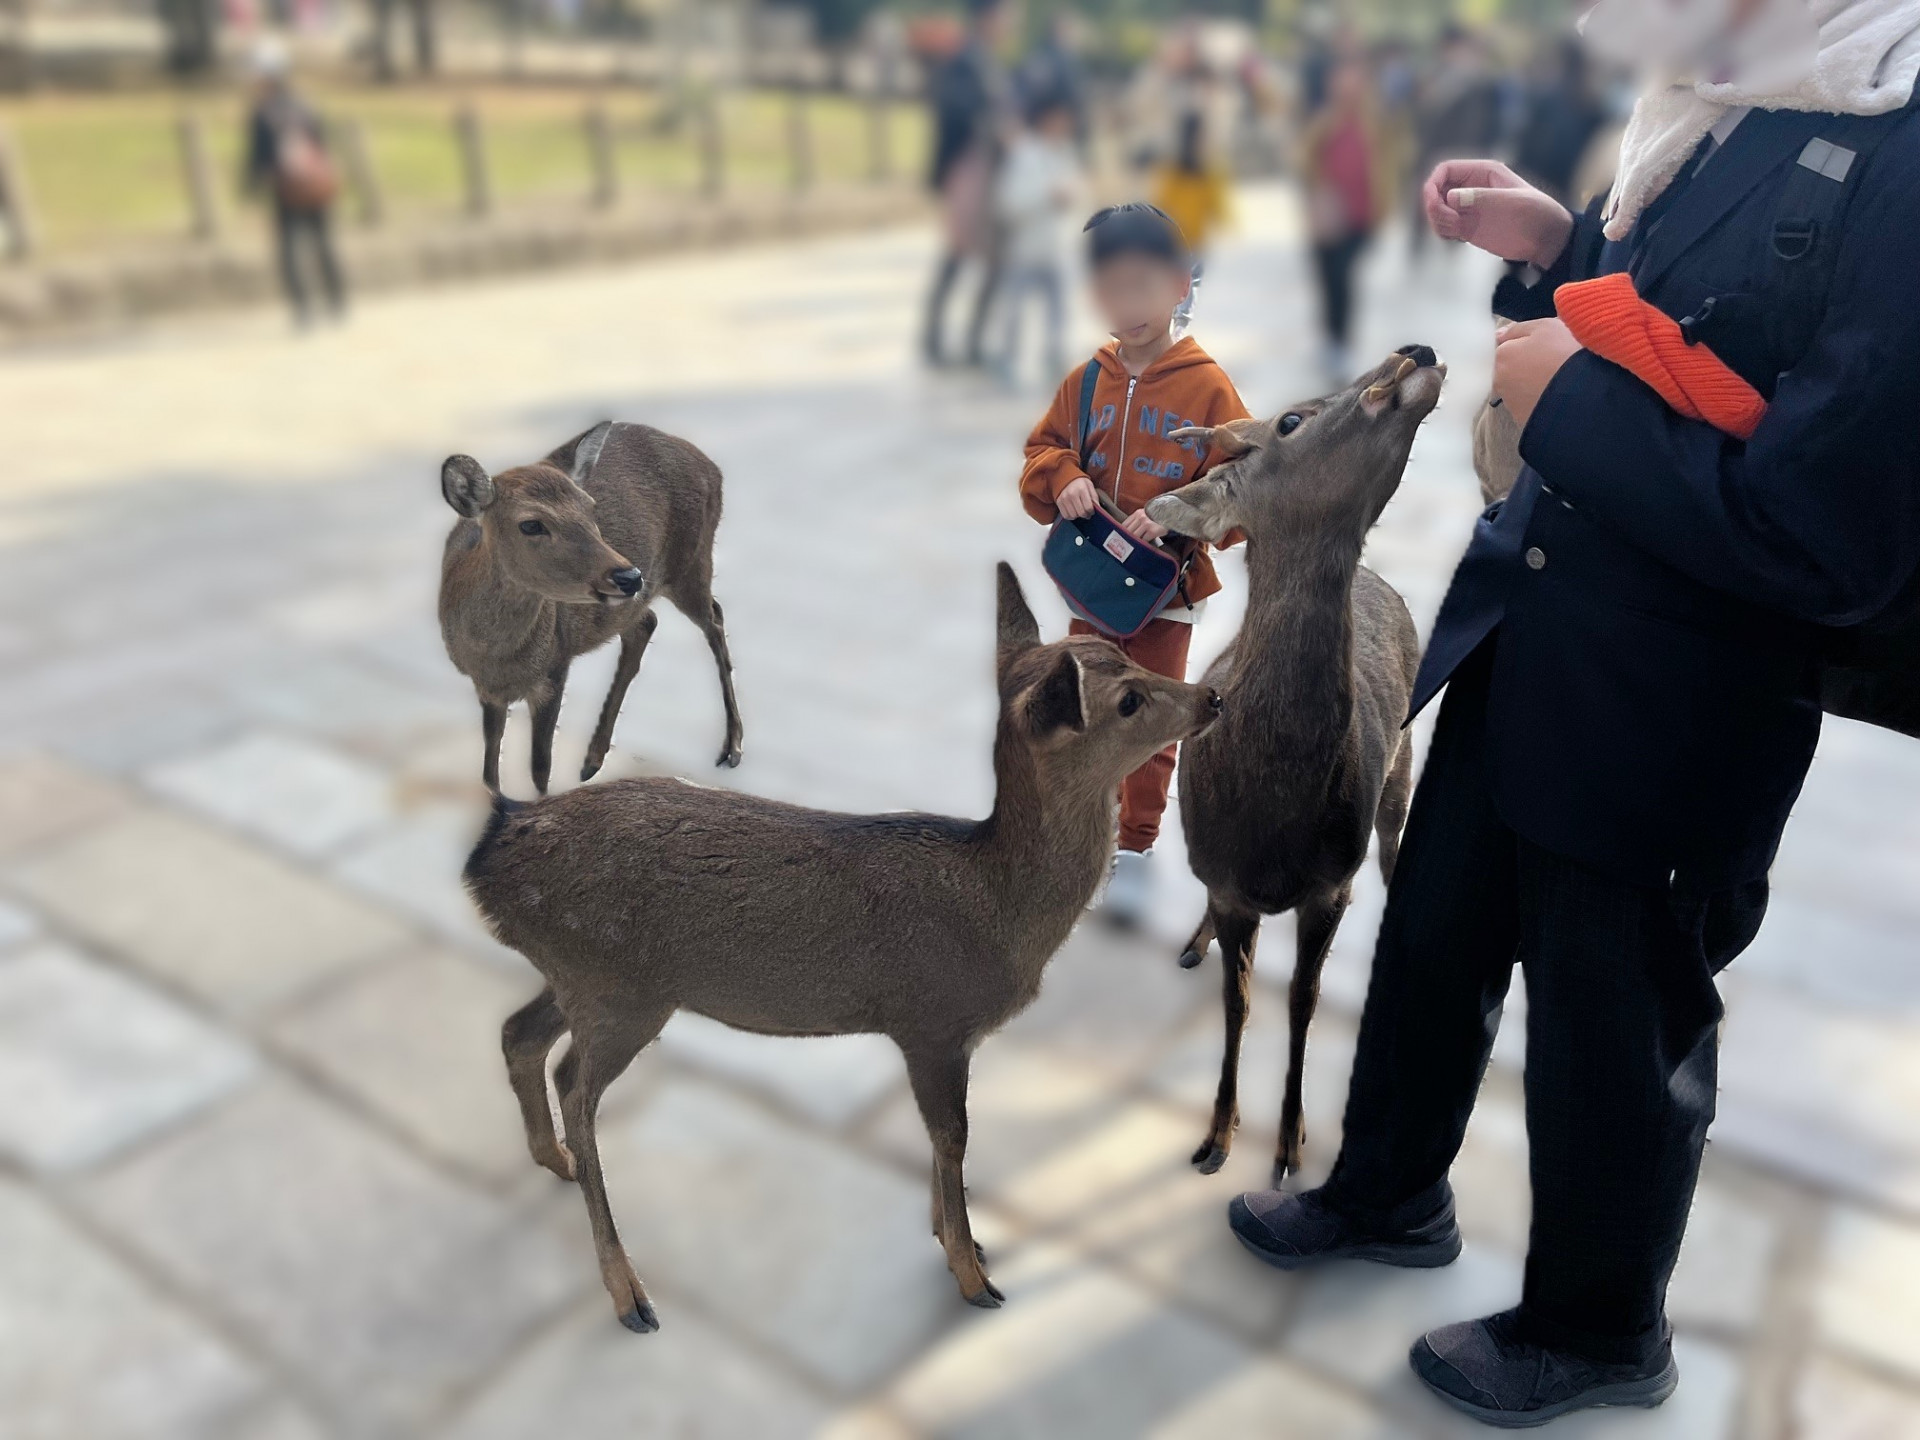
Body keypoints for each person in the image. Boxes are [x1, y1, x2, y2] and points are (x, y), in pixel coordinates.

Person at [1225, 0, 1920, 1426]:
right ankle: (1388, 1192)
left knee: (1613, 1014)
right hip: (1533, 619)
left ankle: (1601, 1329)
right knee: (1438, 931)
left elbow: (1832, 533)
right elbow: (1677, 321)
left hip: (1684, 691)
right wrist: (1563, 247)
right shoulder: (1724, 94)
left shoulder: (1894, 142)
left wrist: (1565, 413)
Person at [1018, 203, 1252, 926]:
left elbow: (1244, 489)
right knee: (1082, 707)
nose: (1129, 306)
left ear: (1181, 284)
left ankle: (1136, 848)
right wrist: (1063, 477)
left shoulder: (1209, 388)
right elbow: (1039, 454)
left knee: (1146, 716)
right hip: (1090, 585)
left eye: (1144, 286)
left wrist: (1181, 510)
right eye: (1112, 289)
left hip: (1162, 597)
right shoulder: (1086, 380)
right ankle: (1079, 826)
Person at [923, 0, 1016, 369]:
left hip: (987, 170)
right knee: (962, 251)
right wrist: (995, 124)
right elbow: (955, 111)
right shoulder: (965, 59)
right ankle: (935, 338)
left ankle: (973, 340)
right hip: (969, 169)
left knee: (991, 257)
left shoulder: (986, 59)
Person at [1301, 58, 1392, 382]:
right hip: (1328, 216)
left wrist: (1383, 209)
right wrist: (1317, 204)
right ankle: (1331, 339)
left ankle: (1342, 341)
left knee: (1344, 276)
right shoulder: (1324, 122)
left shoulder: (1373, 123)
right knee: (1327, 279)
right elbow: (1306, 162)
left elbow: (1387, 166)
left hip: (1359, 217)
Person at [243, 41, 345, 327]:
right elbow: (321, 142)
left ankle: (303, 308)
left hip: (286, 187)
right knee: (323, 242)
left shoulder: (263, 111)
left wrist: (250, 186)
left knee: (289, 248)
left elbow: (258, 155)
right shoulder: (305, 104)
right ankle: (337, 300)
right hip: (316, 184)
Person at [992, 92, 1083, 387]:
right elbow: (1009, 203)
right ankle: (1007, 358)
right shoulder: (1024, 154)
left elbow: (1077, 192)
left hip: (1056, 248)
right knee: (1015, 309)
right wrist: (1047, 197)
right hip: (1026, 249)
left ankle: (1054, 359)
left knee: (1058, 311)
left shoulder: (1065, 153)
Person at [1407, 25, 1502, 262]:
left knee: (1455, 200)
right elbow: (1418, 114)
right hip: (1433, 149)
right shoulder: (1431, 78)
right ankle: (1418, 242)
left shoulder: (1477, 81)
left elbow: (1486, 121)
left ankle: (1453, 240)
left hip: (1461, 151)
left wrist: (1482, 151)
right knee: (1424, 197)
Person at [1154, 110, 1231, 335]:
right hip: (1183, 235)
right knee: (1187, 278)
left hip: (1187, 235)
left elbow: (1215, 199)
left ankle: (1176, 323)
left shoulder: (1198, 168)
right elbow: (1163, 200)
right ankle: (1177, 323)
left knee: (1185, 278)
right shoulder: (1186, 168)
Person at [1511, 36, 1609, 208]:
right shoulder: (1594, 106)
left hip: (1536, 182)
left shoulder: (1546, 97)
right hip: (1567, 190)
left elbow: (1526, 146)